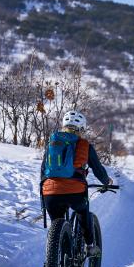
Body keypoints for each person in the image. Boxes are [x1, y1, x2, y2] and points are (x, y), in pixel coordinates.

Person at [41, 110, 113, 258]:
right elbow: (97, 169)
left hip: (50, 192)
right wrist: (107, 182)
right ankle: (90, 246)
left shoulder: (52, 144)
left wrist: (45, 188)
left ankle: (54, 260)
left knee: (57, 225)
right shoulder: (84, 145)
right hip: (75, 192)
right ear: (81, 129)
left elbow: (43, 170)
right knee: (82, 211)